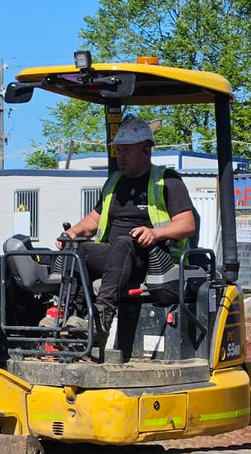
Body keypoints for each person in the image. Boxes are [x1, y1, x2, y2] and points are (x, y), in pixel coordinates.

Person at [57, 115, 197, 355]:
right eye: (118, 150)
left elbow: (187, 224)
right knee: (79, 250)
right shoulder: (114, 182)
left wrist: (155, 233)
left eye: (126, 150)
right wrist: (73, 232)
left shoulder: (167, 181)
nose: (120, 156)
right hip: (118, 258)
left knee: (123, 242)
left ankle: (102, 318)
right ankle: (68, 316)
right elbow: (95, 218)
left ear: (146, 150)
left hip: (155, 260)